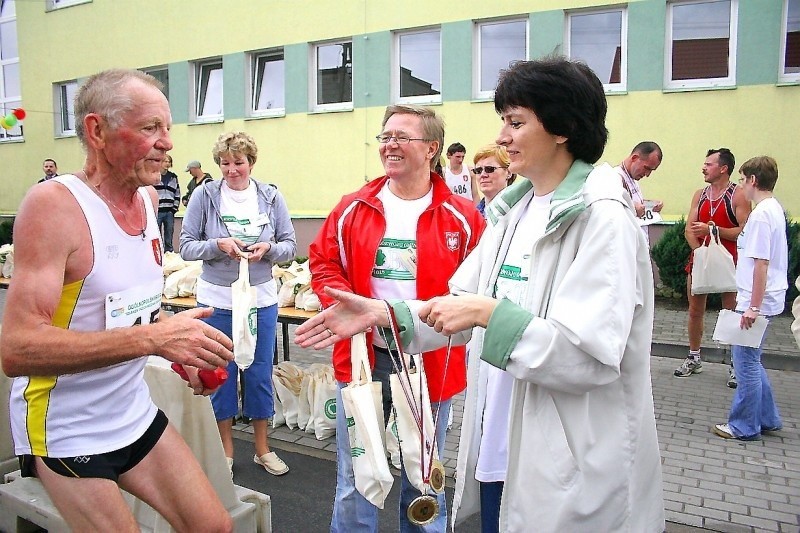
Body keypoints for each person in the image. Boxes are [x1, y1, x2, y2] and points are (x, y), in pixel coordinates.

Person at [296, 57, 665, 533]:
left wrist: (487, 313)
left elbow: (588, 357)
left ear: (563, 128)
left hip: (568, 457)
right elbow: (458, 301)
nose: (503, 136)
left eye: (516, 122)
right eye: (503, 122)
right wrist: (383, 315)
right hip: (502, 446)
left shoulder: (602, 220)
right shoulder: (516, 213)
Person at [0, 68, 234, 532]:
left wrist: (180, 350)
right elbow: (18, 348)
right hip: (65, 430)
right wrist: (154, 339)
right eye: (150, 128)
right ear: (97, 131)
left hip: (131, 411)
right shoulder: (54, 207)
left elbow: (131, 307)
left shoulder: (148, 199)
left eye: (167, 128)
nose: (167, 142)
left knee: (215, 527)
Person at [307, 103, 485, 532]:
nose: (390, 144)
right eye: (385, 136)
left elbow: (476, 291)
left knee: (424, 477)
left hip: (430, 362)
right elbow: (323, 261)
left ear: (431, 148)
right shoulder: (353, 207)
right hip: (365, 360)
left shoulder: (462, 216)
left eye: (402, 136)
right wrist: (347, 303)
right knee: (356, 477)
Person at [180, 131, 296, 478]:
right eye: (225, 163)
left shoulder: (271, 197)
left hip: (260, 299)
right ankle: (225, 451)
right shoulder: (204, 195)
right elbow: (186, 246)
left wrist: (269, 250)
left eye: (238, 163)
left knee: (259, 373)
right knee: (222, 374)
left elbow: (289, 246)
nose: (232, 170)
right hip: (217, 300)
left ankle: (263, 449)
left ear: (251, 163)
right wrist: (218, 245)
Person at [713, 156, 787, 441]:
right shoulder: (773, 209)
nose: (741, 185)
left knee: (744, 362)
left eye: (743, 180)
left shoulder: (759, 216)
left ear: (753, 180)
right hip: (765, 297)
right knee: (752, 360)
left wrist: (752, 307)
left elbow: (760, 264)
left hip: (755, 300)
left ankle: (744, 425)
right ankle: (768, 418)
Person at [677, 148, 751, 388]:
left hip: (730, 260)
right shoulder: (700, 195)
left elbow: (744, 229)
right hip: (701, 258)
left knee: (730, 313)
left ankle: (734, 364)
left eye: (709, 164)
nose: (703, 167)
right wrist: (699, 251)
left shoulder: (738, 195)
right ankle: (694, 357)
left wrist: (713, 231)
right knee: (695, 310)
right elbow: (689, 228)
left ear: (723, 168)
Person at [614, 141, 663, 242]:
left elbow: (633, 201)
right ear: (634, 158)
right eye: (647, 168)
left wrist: (651, 205)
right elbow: (611, 208)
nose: (647, 174)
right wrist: (632, 207)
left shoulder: (633, 179)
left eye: (651, 170)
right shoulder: (614, 177)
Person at [472, 144, 516, 218]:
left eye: (489, 169)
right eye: (478, 170)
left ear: (508, 172)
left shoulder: (519, 210)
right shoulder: (473, 215)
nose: (483, 175)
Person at [154, 153, 180, 252]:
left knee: (169, 234)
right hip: (158, 210)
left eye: (169, 162)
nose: (167, 164)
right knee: (157, 234)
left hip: (169, 211)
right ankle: (159, 252)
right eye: (165, 161)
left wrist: (174, 208)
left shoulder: (173, 177)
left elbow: (177, 193)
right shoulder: (155, 176)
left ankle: (169, 252)